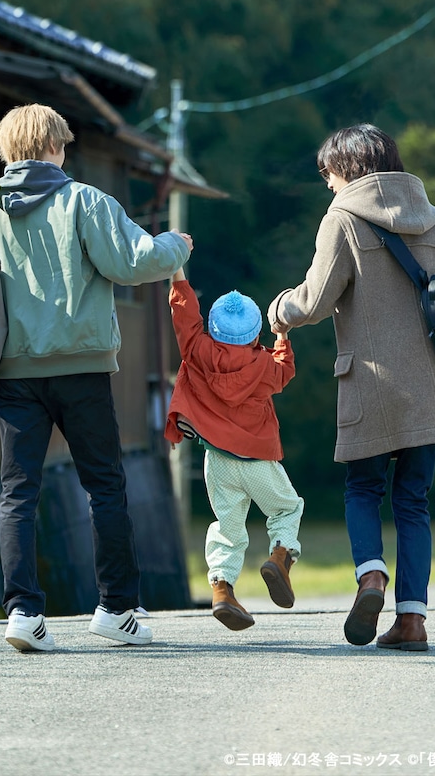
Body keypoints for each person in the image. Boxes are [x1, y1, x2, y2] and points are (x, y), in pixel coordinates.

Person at [0, 103, 192, 652]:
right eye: (64, 144)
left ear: (7, 151)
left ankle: (22, 612)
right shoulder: (85, 202)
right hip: (82, 367)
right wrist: (176, 247)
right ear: (54, 146)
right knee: (104, 487)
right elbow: (133, 262)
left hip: (13, 374)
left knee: (17, 493)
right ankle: (115, 610)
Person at [267, 123, 435, 652]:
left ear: (345, 169)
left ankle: (371, 577)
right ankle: (412, 622)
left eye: (328, 174)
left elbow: (315, 301)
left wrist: (277, 310)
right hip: (434, 386)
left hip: (370, 385)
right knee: (413, 502)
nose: (327, 185)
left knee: (363, 489)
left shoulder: (342, 218)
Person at [165, 268, 304, 631]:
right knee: (287, 508)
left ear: (212, 329)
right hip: (257, 459)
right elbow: (285, 371)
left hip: (218, 461)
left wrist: (177, 271)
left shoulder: (196, 350)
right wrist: (282, 335)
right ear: (254, 333)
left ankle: (222, 590)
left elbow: (185, 313)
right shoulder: (261, 365)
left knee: (227, 527)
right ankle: (279, 556)